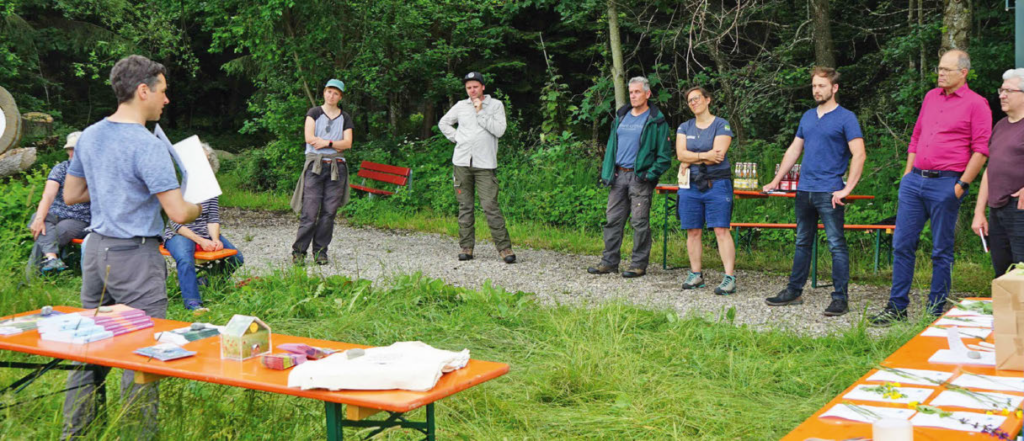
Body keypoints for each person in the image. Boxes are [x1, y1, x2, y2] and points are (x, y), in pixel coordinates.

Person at [61, 54, 201, 440]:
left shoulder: (89, 135)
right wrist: (198, 202)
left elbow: (72, 194)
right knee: (141, 353)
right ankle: (137, 434)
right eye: (163, 91)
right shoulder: (147, 144)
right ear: (144, 91)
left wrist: (114, 185)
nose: (166, 100)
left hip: (96, 251)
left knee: (88, 349)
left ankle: (75, 433)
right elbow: (177, 211)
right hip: (136, 257)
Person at [870, 50, 991, 326]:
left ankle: (935, 312)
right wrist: (907, 175)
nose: (940, 74)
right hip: (915, 182)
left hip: (946, 183)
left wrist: (961, 185)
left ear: (963, 73)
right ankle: (896, 307)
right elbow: (916, 136)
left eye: (946, 70)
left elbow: (981, 150)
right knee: (902, 244)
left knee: (941, 250)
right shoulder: (930, 97)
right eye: (939, 69)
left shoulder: (977, 104)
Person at [762, 67, 866, 317]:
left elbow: (859, 154)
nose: (816, 90)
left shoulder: (846, 117)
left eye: (821, 86)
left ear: (834, 88)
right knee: (802, 241)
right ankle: (794, 291)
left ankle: (840, 298)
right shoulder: (808, 116)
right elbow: (794, 150)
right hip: (804, 189)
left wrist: (847, 188)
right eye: (814, 86)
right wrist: (776, 180)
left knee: (836, 245)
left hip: (829, 191)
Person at [588, 76, 673, 278]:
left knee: (639, 222)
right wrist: (609, 171)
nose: (633, 96)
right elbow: (611, 147)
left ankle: (638, 265)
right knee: (612, 220)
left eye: (637, 92)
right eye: (631, 92)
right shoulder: (621, 116)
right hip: (618, 176)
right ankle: (609, 262)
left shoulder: (656, 120)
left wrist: (648, 175)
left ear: (647, 94)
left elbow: (664, 157)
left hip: (639, 178)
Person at [438, 71, 515, 263]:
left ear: (482, 87)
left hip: (485, 164)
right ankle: (466, 247)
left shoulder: (495, 105)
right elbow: (444, 122)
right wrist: (457, 138)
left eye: (475, 86)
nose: (472, 90)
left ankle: (504, 248)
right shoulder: (461, 106)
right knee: (465, 206)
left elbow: (499, 130)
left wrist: (480, 112)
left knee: (490, 205)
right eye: (468, 87)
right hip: (462, 162)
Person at [164, 143, 244, 311]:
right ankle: (193, 303)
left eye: (207, 161)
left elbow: (213, 218)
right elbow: (175, 223)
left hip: (205, 233)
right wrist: (200, 240)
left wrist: (215, 240)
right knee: (185, 260)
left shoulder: (210, 188)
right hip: (180, 234)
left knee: (236, 258)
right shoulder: (178, 185)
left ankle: (207, 281)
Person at [674, 87, 738, 294]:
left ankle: (729, 277)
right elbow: (680, 154)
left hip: (717, 184)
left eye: (697, 98)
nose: (693, 103)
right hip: (690, 185)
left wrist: (691, 157)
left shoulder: (722, 124)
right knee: (693, 230)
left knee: (721, 229)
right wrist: (704, 155)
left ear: (708, 100)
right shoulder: (684, 127)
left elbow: (718, 155)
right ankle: (696, 274)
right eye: (689, 101)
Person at [290, 79, 353, 266]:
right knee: (309, 212)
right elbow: (309, 138)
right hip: (315, 167)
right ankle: (299, 252)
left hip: (336, 168)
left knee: (329, 213)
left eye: (335, 93)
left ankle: (320, 252)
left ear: (340, 97)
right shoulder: (314, 113)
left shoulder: (345, 117)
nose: (331, 96)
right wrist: (334, 144)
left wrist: (327, 143)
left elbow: (347, 143)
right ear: (324, 93)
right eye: (329, 92)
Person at [972, 68, 1024, 278]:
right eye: (1001, 90)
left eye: (1008, 91)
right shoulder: (1001, 126)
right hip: (997, 210)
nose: (1001, 95)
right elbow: (990, 170)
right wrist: (979, 211)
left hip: (1019, 209)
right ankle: (1007, 312)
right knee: (1002, 274)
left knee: (1021, 273)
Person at [27, 131, 90, 273]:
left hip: (78, 217)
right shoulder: (61, 168)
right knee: (36, 220)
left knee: (51, 235)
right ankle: (52, 258)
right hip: (54, 213)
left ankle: (30, 280)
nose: (73, 152)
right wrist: (39, 218)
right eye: (71, 149)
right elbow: (48, 195)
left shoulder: (94, 171)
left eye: (78, 149)